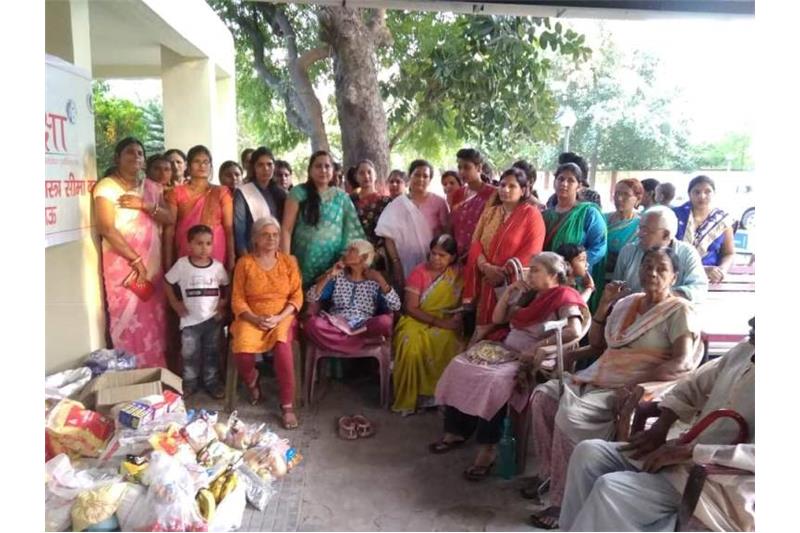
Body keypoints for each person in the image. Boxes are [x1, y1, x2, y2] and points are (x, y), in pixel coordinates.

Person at [525, 246, 702, 529]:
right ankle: (552, 473)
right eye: (647, 266)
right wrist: (605, 304)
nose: (652, 273)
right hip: (598, 376)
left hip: (630, 386)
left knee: (569, 415)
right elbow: (597, 345)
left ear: (675, 276)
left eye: (661, 269)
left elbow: (682, 363)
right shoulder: (628, 303)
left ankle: (561, 499)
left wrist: (633, 384)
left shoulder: (678, 310)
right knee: (543, 397)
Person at [559, 317, 755, 532]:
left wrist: (693, 452)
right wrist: (660, 428)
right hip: (683, 459)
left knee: (613, 489)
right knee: (589, 453)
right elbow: (690, 388)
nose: (752, 321)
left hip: (719, 483)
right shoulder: (742, 353)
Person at [432, 253, 588, 480]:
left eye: (535, 270)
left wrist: (539, 346)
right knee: (460, 365)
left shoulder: (564, 296)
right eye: (530, 269)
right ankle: (457, 430)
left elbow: (573, 331)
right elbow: (498, 318)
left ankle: (488, 448)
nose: (529, 274)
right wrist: (510, 292)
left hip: (533, 357)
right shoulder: (530, 295)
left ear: (553, 275)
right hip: (507, 348)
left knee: (494, 382)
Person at [93, 137, 174, 368]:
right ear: (117, 158)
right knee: (126, 320)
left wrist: (145, 205)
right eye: (130, 152)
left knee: (154, 323)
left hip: (152, 268)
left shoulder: (150, 188)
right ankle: (130, 374)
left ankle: (155, 373)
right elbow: (106, 227)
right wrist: (135, 259)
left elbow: (169, 218)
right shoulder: (106, 187)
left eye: (140, 153)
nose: (136, 157)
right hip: (123, 266)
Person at [230, 217, 303, 429]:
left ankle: (287, 407)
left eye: (275, 235)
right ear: (255, 239)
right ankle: (252, 380)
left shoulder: (289, 262)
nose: (271, 239)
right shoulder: (244, 263)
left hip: (282, 316)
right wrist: (254, 318)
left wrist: (280, 317)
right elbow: (237, 298)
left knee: (282, 347)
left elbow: (297, 296)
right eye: (266, 234)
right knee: (242, 347)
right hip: (251, 315)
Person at [463, 167, 545, 342]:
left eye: (512, 186)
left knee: (503, 334)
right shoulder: (490, 212)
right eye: (502, 185)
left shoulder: (531, 215)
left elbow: (532, 252)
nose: (505, 190)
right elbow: (475, 243)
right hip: (485, 281)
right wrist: (486, 267)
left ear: (523, 190)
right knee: (481, 329)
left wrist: (502, 273)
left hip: (511, 286)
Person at [392, 234, 464, 415]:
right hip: (416, 319)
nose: (436, 259)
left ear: (453, 258)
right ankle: (413, 399)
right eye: (433, 253)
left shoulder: (457, 274)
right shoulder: (419, 272)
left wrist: (456, 319)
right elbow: (410, 308)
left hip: (445, 318)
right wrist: (439, 322)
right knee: (410, 345)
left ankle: (440, 399)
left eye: (442, 255)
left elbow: (464, 303)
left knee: (450, 341)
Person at [281, 150, 366, 288]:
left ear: (333, 170)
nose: (323, 170)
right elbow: (286, 229)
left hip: (332, 265)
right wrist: (285, 263)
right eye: (318, 166)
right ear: (310, 170)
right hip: (302, 261)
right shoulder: (298, 192)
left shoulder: (342, 197)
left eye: (327, 166)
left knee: (326, 303)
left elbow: (352, 231)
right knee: (301, 302)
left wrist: (346, 260)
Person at [164, 224, 229, 399]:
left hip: (212, 320)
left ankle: (212, 382)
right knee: (189, 354)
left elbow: (227, 286)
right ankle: (189, 383)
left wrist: (223, 304)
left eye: (208, 243)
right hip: (190, 321)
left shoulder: (217, 267)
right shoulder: (182, 265)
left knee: (212, 352)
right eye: (199, 243)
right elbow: (167, 282)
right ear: (189, 244)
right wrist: (175, 303)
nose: (204, 248)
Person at [304, 239, 401, 354]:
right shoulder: (338, 277)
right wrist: (330, 275)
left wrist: (381, 281)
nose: (346, 253)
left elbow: (396, 305)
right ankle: (355, 342)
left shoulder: (375, 281)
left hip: (363, 327)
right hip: (337, 326)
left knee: (385, 322)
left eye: (351, 251)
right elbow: (311, 297)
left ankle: (342, 342)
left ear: (364, 257)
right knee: (312, 324)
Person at [376, 159, 449, 291]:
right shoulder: (397, 204)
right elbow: (388, 237)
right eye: (417, 175)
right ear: (410, 177)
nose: (421, 179)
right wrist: (396, 263)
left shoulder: (439, 203)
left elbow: (446, 233)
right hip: (403, 262)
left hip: (432, 261)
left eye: (425, 176)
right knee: (407, 295)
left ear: (430, 179)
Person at [542, 162, 607, 311]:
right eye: (560, 178)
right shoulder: (546, 215)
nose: (564, 183)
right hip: (549, 279)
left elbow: (599, 246)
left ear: (579, 186)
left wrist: (576, 266)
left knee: (571, 319)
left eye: (571, 180)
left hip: (575, 281)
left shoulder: (588, 213)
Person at [613, 205, 708, 303]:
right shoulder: (628, 251)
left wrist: (661, 297)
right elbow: (616, 288)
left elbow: (699, 289)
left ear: (666, 235)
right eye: (640, 229)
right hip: (632, 312)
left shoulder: (687, 253)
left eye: (645, 230)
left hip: (672, 313)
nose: (639, 234)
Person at [164, 145, 235, 273]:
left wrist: (231, 262)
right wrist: (168, 265)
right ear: (189, 166)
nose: (202, 166)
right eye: (197, 161)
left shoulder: (221, 192)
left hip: (215, 251)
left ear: (211, 166)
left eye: (206, 162)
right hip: (186, 250)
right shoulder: (176, 193)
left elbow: (228, 229)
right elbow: (170, 230)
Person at [673, 175, 735, 283]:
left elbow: (729, 253)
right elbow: (664, 251)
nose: (702, 196)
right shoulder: (674, 216)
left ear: (714, 194)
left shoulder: (722, 221)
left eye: (708, 192)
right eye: (696, 192)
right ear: (689, 194)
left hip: (709, 280)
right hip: (676, 276)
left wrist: (722, 270)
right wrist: (701, 270)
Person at [233, 146, 287, 258]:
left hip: (275, 254)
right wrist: (245, 260)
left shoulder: (281, 194)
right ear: (253, 167)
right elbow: (239, 231)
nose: (266, 169)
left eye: (269, 164)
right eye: (260, 165)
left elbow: (285, 228)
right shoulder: (243, 192)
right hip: (251, 253)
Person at [449, 148, 497, 261]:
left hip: (480, 255)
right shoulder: (458, 193)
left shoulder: (493, 194)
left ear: (479, 167)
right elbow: (452, 224)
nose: (461, 172)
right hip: (457, 254)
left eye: (466, 167)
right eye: (459, 167)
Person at [349, 159, 392, 268]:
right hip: (355, 254)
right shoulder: (349, 201)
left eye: (369, 172)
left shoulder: (386, 202)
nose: (366, 176)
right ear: (356, 177)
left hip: (379, 255)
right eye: (361, 173)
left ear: (375, 175)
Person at [604, 178, 644, 278]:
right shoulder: (601, 219)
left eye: (626, 194)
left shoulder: (642, 225)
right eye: (617, 193)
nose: (619, 198)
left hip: (626, 278)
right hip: (599, 275)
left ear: (637, 199)